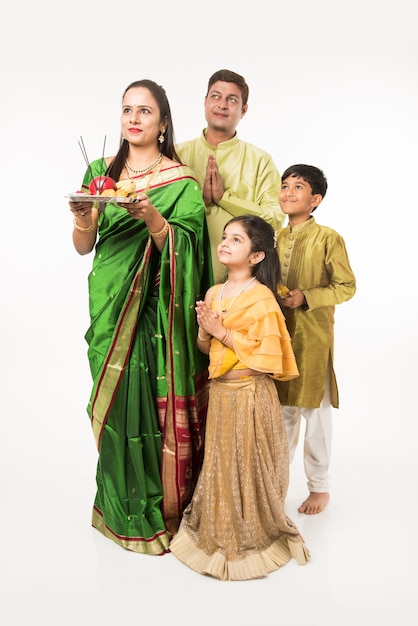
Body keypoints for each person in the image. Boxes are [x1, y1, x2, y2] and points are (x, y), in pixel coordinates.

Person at [68, 79, 213, 555]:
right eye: (127, 109)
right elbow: (85, 247)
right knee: (111, 405)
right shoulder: (99, 171)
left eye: (144, 111)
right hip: (109, 305)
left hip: (154, 312)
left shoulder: (181, 180)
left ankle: (161, 507)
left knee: (148, 400)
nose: (133, 118)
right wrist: (81, 216)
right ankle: (116, 504)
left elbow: (188, 248)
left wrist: (151, 215)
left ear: (163, 122)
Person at [170, 215, 310, 581]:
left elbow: (267, 357)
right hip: (222, 394)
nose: (225, 243)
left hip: (250, 393)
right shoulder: (215, 293)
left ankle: (254, 529)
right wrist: (206, 330)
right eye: (225, 237)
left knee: (248, 464)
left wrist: (221, 331)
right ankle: (221, 525)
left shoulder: (262, 298)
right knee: (222, 464)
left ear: (256, 257)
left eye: (237, 240)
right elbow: (206, 348)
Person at [275, 164, 356, 515]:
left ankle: (319, 488)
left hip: (313, 340)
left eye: (298, 187)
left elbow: (347, 285)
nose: (289, 192)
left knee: (316, 417)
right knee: (281, 417)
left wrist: (305, 297)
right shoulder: (273, 238)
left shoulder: (328, 238)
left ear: (316, 199)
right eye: (284, 186)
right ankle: (276, 488)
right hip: (277, 339)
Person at [176, 69, 284, 283]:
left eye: (231, 100)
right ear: (205, 101)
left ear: (243, 110)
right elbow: (157, 211)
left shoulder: (260, 160)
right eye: (216, 96)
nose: (222, 105)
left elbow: (275, 220)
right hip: (180, 273)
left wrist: (225, 199)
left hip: (238, 285)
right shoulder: (176, 155)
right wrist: (200, 202)